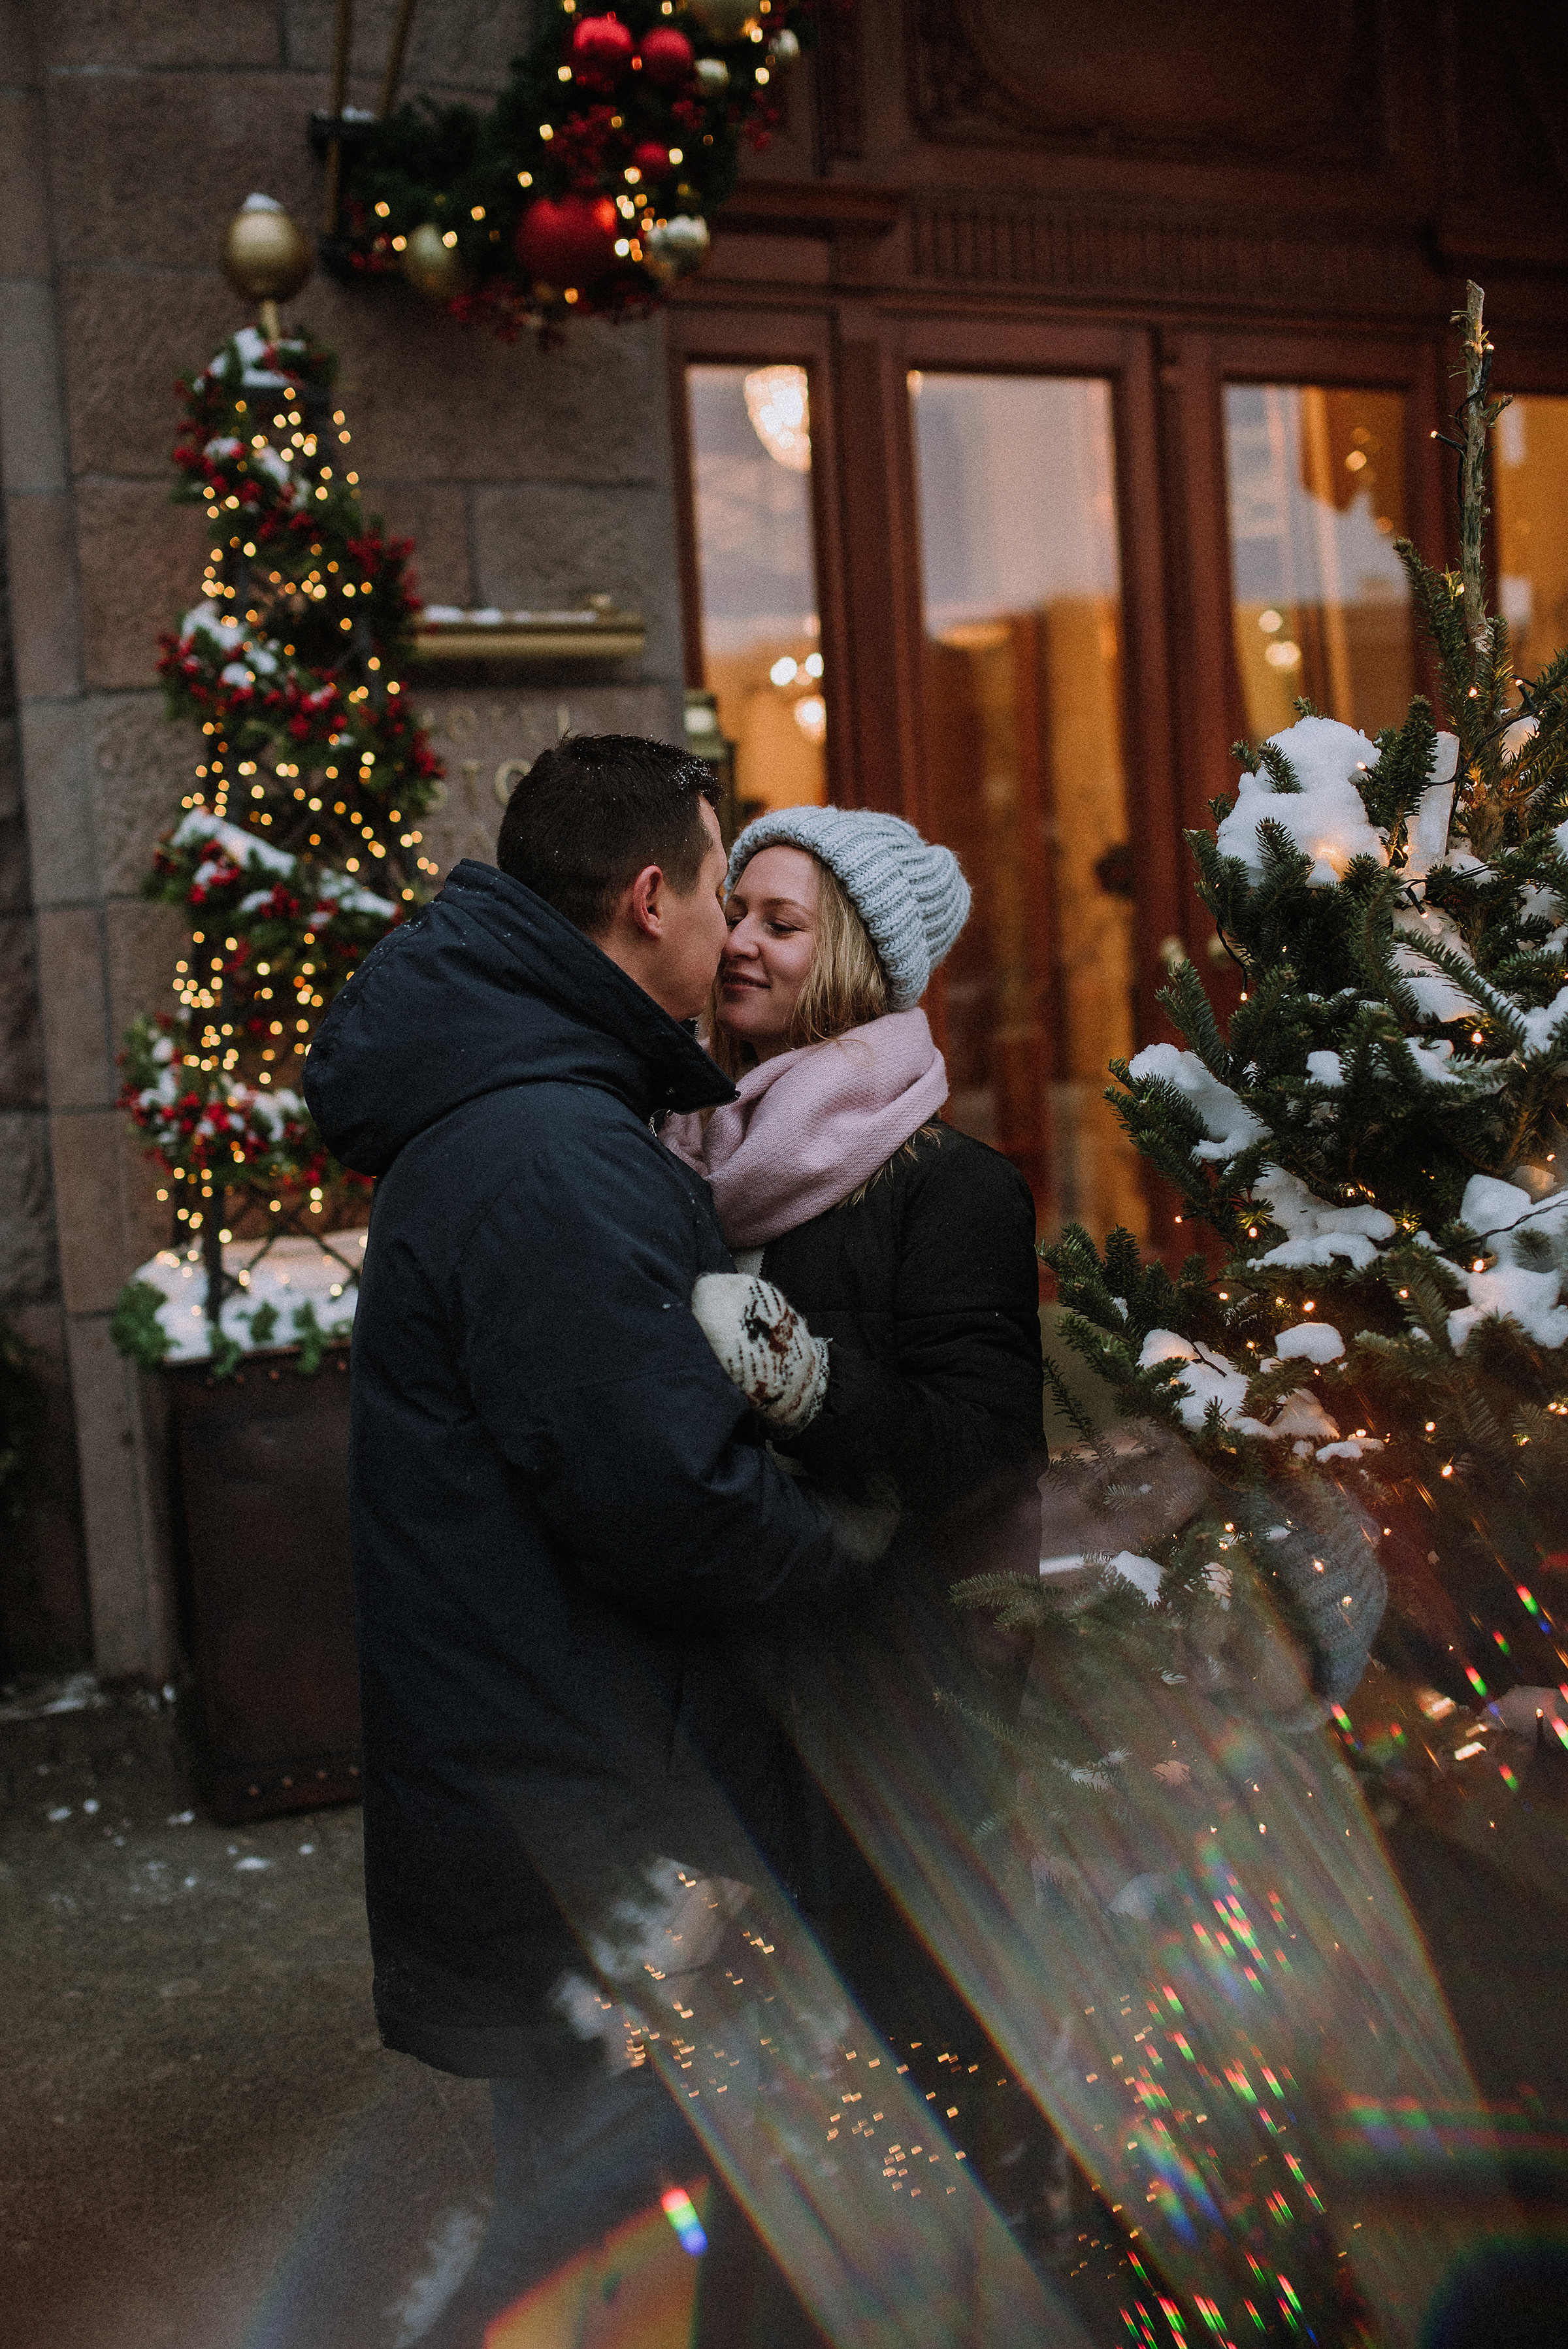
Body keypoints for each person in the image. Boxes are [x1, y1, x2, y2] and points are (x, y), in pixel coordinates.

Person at [302, 738, 883, 2344]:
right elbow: (666, 1503)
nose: (730, 936)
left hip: (554, 1788)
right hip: (588, 1816)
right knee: (602, 2253)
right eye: (718, 890)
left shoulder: (531, 1111)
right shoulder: (554, 1155)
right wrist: (857, 1574)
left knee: (604, 2242)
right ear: (651, 900)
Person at [662, 804, 1057, 2241]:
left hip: (892, 1718)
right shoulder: (697, 1147)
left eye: (781, 920)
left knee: (915, 2108)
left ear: (861, 961)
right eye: (738, 913)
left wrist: (804, 1378)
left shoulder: (946, 1186)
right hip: (734, 1701)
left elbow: (982, 1453)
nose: (742, 944)